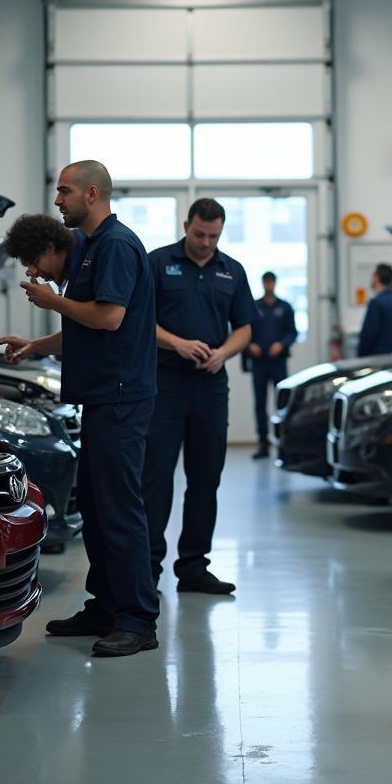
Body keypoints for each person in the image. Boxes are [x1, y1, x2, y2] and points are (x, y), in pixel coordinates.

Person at [0, 162, 159, 659]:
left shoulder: (116, 246)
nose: (58, 198)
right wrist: (36, 344)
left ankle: (137, 619)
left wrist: (50, 301)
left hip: (122, 398)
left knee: (120, 510)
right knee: (95, 504)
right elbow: (84, 328)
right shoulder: (89, 249)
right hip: (102, 397)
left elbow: (109, 318)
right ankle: (105, 606)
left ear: (92, 192)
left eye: (64, 190)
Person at [142, 198, 256, 595]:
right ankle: (148, 570)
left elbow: (244, 327)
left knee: (205, 478)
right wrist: (177, 343)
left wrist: (224, 351)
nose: (206, 243)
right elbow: (139, 322)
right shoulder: (157, 263)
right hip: (165, 384)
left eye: (214, 236)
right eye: (200, 234)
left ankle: (193, 568)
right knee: (156, 478)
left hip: (210, 386)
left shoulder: (232, 270)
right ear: (186, 224)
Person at [248, 272, 298, 460]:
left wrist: (282, 344)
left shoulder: (285, 307)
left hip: (278, 362)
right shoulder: (254, 306)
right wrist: (250, 345)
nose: (269, 285)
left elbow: (292, 332)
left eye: (271, 282)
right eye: (266, 282)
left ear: (275, 283)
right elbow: (245, 329)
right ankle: (263, 443)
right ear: (263, 283)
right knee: (260, 404)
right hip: (259, 363)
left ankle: (283, 444)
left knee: (282, 404)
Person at [356, 263, 392, 357]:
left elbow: (369, 334)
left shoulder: (376, 303)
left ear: (376, 277)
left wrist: (360, 356)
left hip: (378, 359)